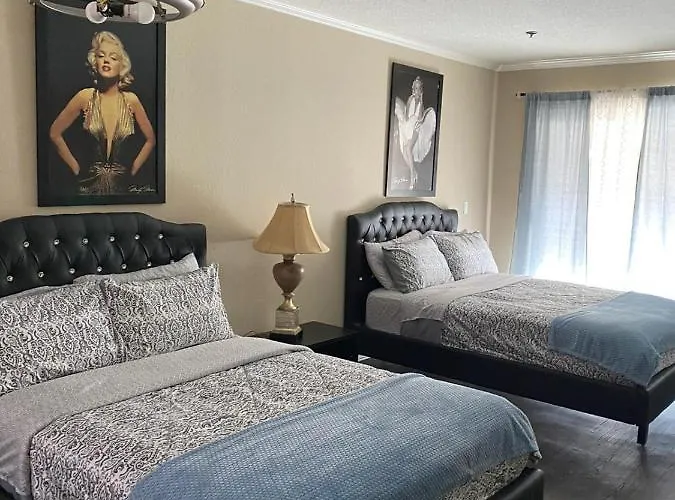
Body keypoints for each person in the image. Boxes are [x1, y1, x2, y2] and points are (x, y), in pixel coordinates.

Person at [49, 31, 155, 195]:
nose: (106, 60)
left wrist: (132, 171)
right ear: (94, 62)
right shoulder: (85, 97)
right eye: (101, 56)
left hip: (122, 191)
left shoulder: (131, 100)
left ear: (122, 66)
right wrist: (76, 169)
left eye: (113, 57)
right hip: (86, 190)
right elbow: (54, 133)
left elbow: (151, 140)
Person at [394, 76, 437, 190]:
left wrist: (421, 101)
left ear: (421, 90)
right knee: (405, 151)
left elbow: (420, 117)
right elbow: (407, 114)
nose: (417, 91)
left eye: (419, 89)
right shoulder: (410, 99)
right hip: (409, 126)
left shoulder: (421, 103)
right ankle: (414, 172)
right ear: (413, 89)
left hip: (416, 128)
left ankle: (413, 176)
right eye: (415, 88)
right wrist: (405, 125)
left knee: (408, 149)